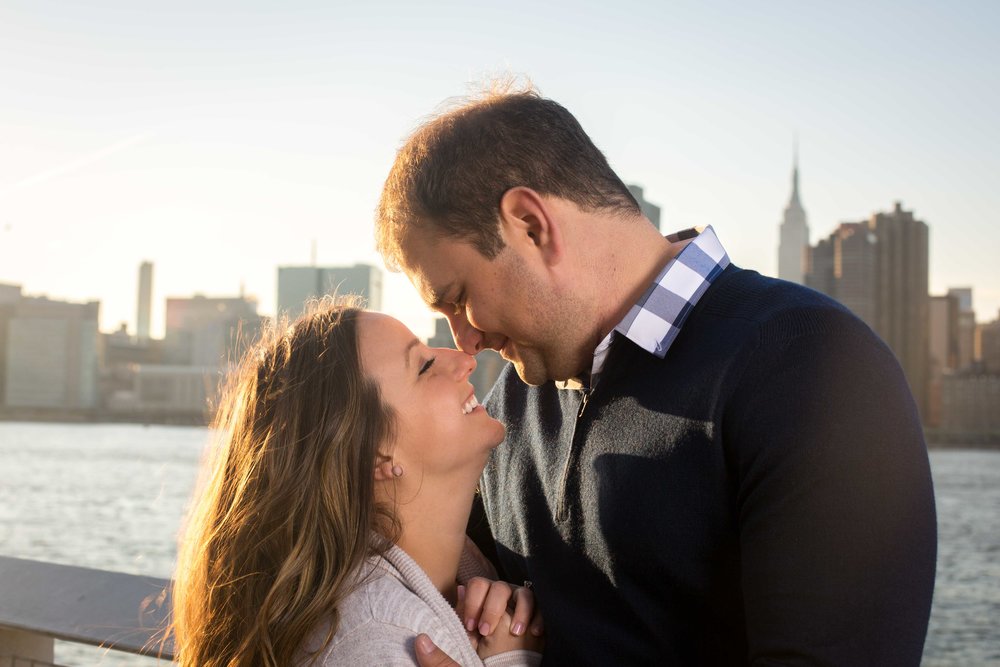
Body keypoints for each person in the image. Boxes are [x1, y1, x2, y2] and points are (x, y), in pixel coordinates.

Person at [375, 85, 938, 666]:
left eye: (458, 298)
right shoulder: (508, 405)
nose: (463, 341)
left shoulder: (813, 366)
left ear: (531, 223)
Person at [170, 299, 543, 667]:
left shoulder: (460, 584)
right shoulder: (375, 642)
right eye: (425, 366)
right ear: (377, 455)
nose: (465, 360)